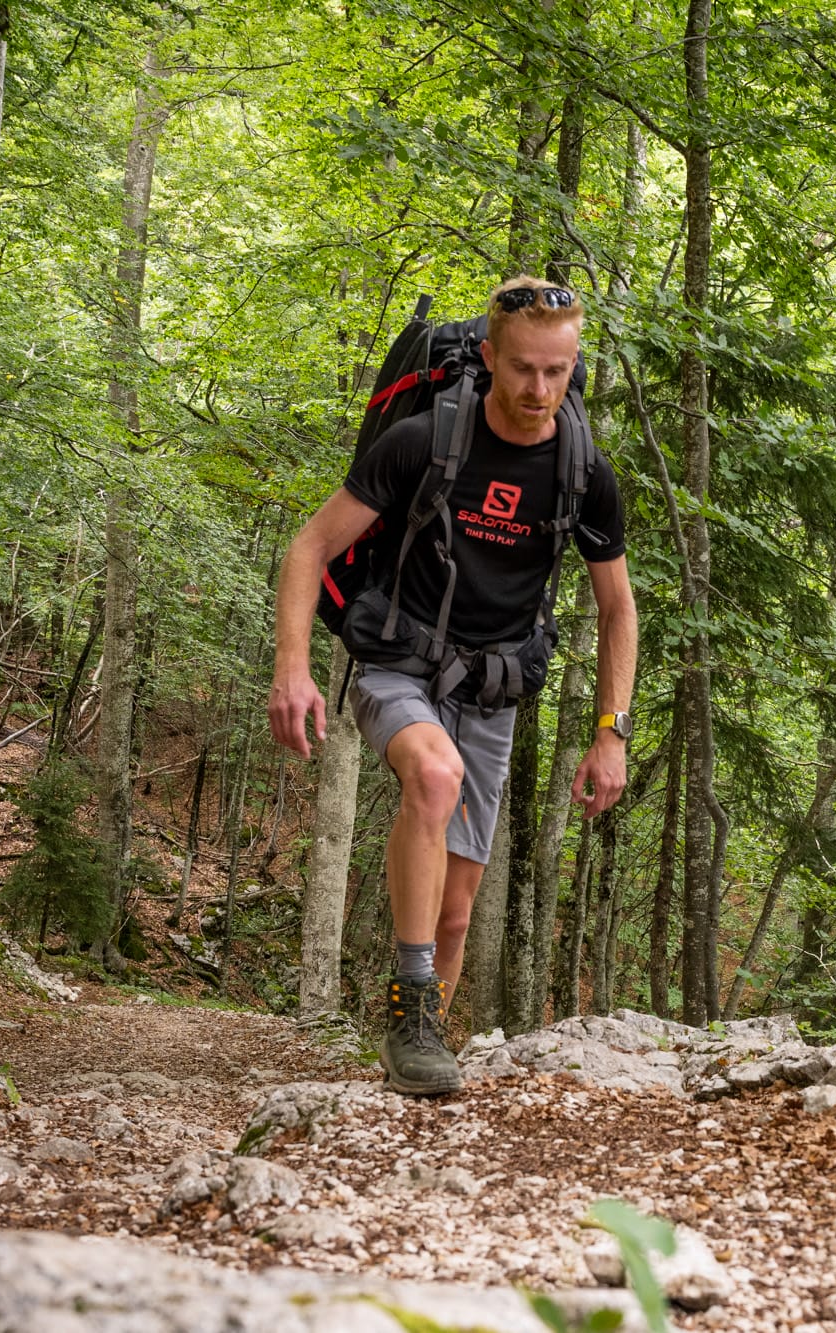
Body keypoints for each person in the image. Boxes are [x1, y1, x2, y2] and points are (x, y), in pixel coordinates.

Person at [267, 276, 636, 1096]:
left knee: (457, 915)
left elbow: (617, 608)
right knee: (433, 776)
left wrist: (611, 730)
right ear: (488, 356)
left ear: (575, 365)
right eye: (523, 370)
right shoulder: (426, 442)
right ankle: (410, 1007)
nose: (540, 390)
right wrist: (292, 669)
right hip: (399, 662)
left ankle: (418, 1044)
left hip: (493, 687)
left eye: (557, 371)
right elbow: (308, 548)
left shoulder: (583, 469)